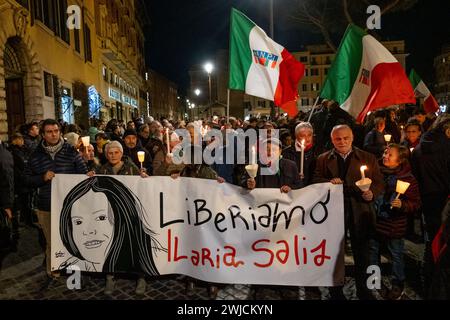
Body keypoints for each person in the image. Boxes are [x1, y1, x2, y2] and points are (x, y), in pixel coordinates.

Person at [313, 125, 384, 300]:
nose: (342, 142)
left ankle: (365, 290)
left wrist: (371, 193)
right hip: (335, 211)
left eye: (346, 138)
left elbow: (378, 182)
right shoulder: (322, 159)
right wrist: (329, 182)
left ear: (352, 138)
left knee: (363, 252)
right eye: (338, 139)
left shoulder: (367, 157)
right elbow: (315, 179)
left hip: (360, 208)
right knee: (335, 252)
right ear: (332, 140)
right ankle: (335, 291)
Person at [24, 119, 88, 287]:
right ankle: (53, 274)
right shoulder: (35, 155)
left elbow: (82, 173)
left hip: (70, 205)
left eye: (56, 131)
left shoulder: (71, 151)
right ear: (43, 135)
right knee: (52, 242)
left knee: (73, 239)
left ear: (60, 132)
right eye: (49, 132)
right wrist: (42, 178)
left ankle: (75, 273)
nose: (54, 134)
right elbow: (26, 180)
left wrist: (88, 170)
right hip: (46, 205)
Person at [59, 176, 165, 275]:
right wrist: (86, 175)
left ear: (122, 218)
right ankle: (110, 277)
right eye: (78, 222)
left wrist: (145, 179)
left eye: (101, 218)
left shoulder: (157, 255)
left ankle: (141, 278)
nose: (89, 231)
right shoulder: (70, 264)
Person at [369, 144, 420, 300]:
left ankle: (397, 284)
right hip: (375, 222)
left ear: (400, 160)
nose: (385, 156)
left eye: (390, 155)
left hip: (394, 225)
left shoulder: (407, 179)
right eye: (385, 152)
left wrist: (403, 205)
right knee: (373, 254)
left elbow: (416, 203)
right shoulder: (375, 172)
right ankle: (374, 281)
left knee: (396, 255)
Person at [411, 114, 450, 298]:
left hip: (427, 200)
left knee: (431, 242)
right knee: (442, 244)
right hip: (444, 201)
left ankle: (428, 281)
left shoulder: (420, 146)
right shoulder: (446, 147)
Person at [282, 122, 323, 186]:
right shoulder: (286, 153)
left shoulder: (319, 151)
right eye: (302, 135)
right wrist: (295, 177)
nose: (306, 138)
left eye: (309, 135)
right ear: (296, 135)